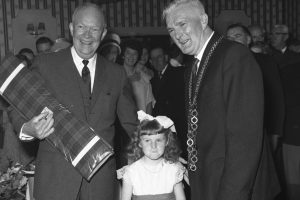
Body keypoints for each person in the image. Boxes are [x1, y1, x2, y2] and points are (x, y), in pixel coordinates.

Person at [8, 3, 138, 200]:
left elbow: (131, 125)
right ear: (70, 29)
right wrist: (29, 129)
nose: (87, 35)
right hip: (55, 182)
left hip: (100, 183)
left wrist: (158, 152)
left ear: (103, 34)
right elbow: (16, 106)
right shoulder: (45, 64)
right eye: (81, 27)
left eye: (94, 29)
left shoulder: (116, 74)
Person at [163, 0, 280, 199]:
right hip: (208, 179)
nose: (177, 35)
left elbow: (244, 141)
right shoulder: (192, 66)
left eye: (182, 24)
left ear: (203, 19)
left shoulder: (235, 56)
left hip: (237, 187)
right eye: (171, 30)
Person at [117, 110, 186, 200]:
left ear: (167, 141)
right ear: (139, 142)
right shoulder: (131, 172)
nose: (153, 146)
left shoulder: (174, 170)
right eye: (147, 140)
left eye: (158, 140)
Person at [121, 39, 155, 114]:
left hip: (141, 122)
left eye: (135, 53)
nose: (131, 56)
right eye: (128, 53)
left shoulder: (144, 77)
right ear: (123, 54)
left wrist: (148, 123)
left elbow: (149, 103)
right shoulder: (116, 74)